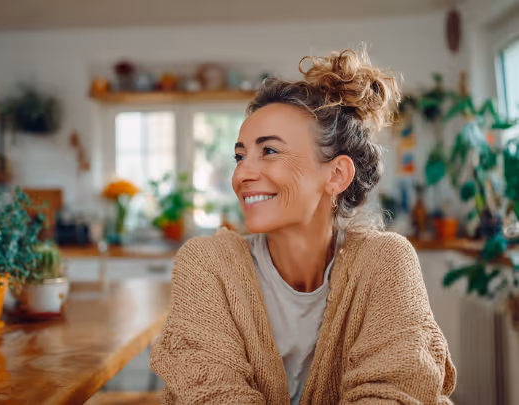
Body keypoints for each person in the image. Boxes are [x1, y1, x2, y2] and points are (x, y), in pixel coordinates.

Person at [151, 49, 456, 404]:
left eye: (269, 152)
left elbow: (395, 394)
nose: (241, 174)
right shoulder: (208, 264)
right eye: (240, 155)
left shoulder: (385, 262)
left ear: (336, 174)